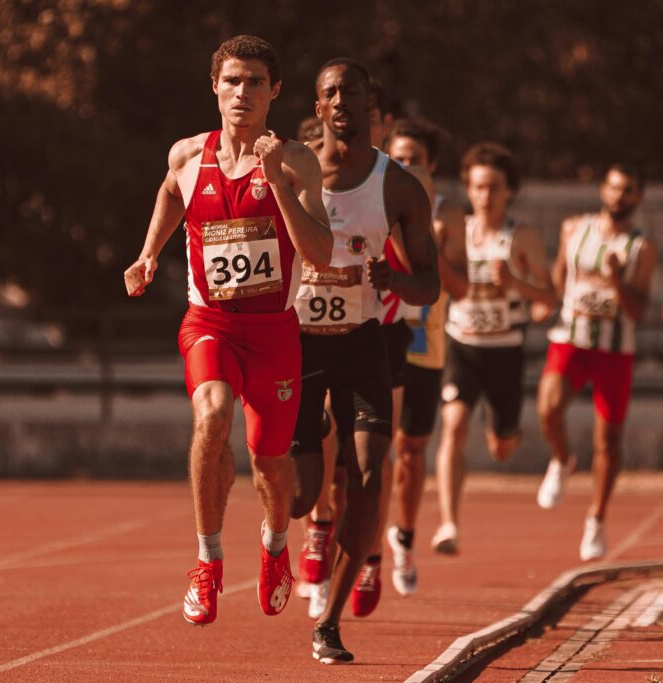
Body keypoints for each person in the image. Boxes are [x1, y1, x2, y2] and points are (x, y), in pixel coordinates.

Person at [122, 35, 332, 626]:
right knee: (212, 416)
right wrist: (148, 254)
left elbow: (317, 252)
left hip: (274, 334)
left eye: (256, 82)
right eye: (233, 81)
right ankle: (208, 561)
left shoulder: (297, 162)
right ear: (214, 85)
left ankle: (273, 548)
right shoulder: (188, 155)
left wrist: (279, 182)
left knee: (269, 464)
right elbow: (169, 193)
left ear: (275, 91)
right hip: (209, 322)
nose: (243, 93)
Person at [292, 58, 439, 664]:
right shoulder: (291, 168)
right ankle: (291, 527)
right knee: (303, 496)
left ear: (372, 107)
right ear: (319, 108)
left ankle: (328, 622)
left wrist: (396, 278)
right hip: (298, 343)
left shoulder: (399, 186)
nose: (342, 102)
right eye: (331, 94)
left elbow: (429, 285)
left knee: (368, 479)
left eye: (352, 92)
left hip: (364, 343)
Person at [431, 142, 557, 555]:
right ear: (469, 189)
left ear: (509, 192)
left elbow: (550, 299)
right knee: (452, 425)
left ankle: (502, 427)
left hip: (505, 350)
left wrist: (516, 284)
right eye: (479, 187)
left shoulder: (521, 236)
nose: (485, 196)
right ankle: (449, 523)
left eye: (494, 188)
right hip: (462, 344)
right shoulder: (457, 230)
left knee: (502, 448)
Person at [535, 165, 657, 561]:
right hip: (572, 337)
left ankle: (597, 519)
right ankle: (562, 459)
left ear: (638, 198)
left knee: (608, 440)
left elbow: (637, 310)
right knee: (548, 408)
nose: (620, 196)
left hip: (615, 349)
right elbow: (558, 279)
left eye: (629, 191)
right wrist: (542, 303)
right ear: (603, 190)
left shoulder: (642, 246)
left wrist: (618, 280)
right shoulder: (574, 229)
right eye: (615, 187)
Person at [382, 118, 467, 596]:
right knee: (369, 448)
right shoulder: (371, 199)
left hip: (425, 341)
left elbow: (461, 287)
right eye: (399, 157)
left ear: (432, 165)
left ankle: (405, 537)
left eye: (416, 159)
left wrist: (431, 246)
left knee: (412, 450)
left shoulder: (447, 213)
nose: (407, 165)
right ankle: (356, 543)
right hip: (379, 332)